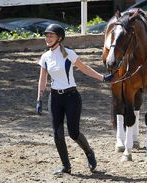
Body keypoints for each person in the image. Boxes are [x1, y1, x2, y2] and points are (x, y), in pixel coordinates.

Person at [35, 24, 113, 174]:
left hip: (71, 97)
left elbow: (84, 68)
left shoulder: (68, 54)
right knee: (57, 134)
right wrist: (39, 99)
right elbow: (42, 79)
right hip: (55, 98)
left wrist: (102, 78)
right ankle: (66, 166)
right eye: (46, 35)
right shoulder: (45, 57)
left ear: (59, 38)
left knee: (73, 133)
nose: (48, 38)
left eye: (51, 35)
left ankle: (89, 152)